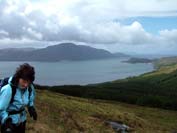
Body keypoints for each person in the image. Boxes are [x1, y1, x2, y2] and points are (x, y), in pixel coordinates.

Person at [0, 63, 37, 133]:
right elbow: (1, 109)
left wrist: (31, 107)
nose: (26, 85)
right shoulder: (8, 89)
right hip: (9, 124)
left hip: (22, 121)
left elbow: (31, 98)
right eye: (24, 81)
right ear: (18, 77)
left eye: (28, 82)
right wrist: (6, 121)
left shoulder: (30, 87)